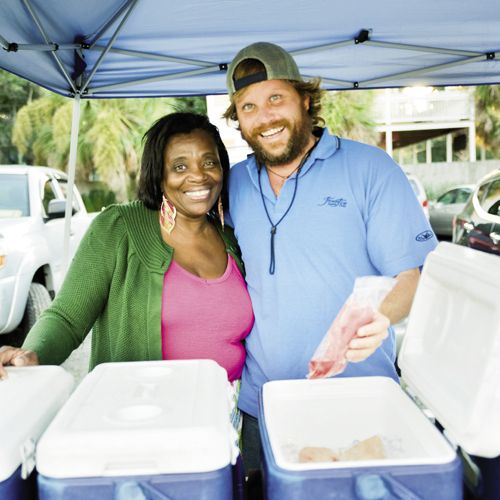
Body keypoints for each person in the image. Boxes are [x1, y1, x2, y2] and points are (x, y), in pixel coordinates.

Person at [223, 42, 437, 475]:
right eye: (248, 107)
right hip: (262, 403)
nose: (265, 117)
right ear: (238, 119)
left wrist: (382, 318)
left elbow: (413, 276)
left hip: (356, 399)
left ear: (304, 99)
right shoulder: (235, 183)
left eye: (275, 98)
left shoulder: (370, 168)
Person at [0, 112, 254, 389]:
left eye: (209, 162)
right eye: (180, 167)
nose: (198, 176)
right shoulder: (119, 228)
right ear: (158, 174)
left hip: (226, 409)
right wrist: (31, 354)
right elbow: (67, 318)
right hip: (140, 408)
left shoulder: (232, 237)